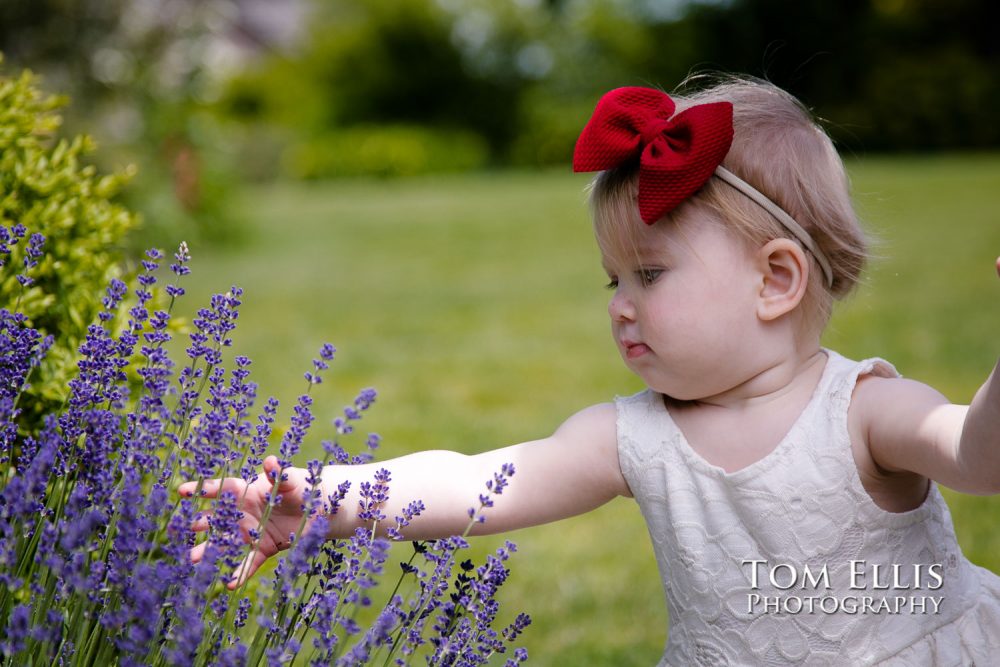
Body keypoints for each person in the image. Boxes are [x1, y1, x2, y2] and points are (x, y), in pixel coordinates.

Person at [180, 76, 1000, 665]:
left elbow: (977, 453)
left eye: (650, 274)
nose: (620, 303)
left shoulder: (861, 411)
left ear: (775, 280)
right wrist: (328, 497)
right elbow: (479, 478)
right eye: (614, 279)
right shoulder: (634, 435)